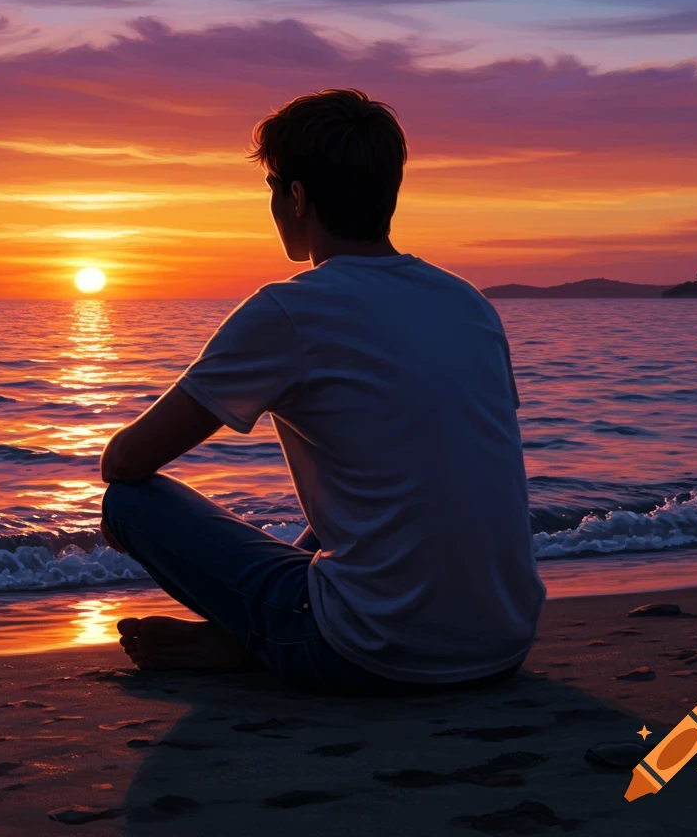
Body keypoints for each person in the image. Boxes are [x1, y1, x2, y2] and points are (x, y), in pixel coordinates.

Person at [99, 89, 545, 694]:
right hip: (503, 640)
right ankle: (253, 637)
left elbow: (126, 461)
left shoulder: (288, 311)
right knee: (374, 499)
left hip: (369, 652)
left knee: (129, 503)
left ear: (298, 196)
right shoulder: (467, 303)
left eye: (272, 187)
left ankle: (254, 640)